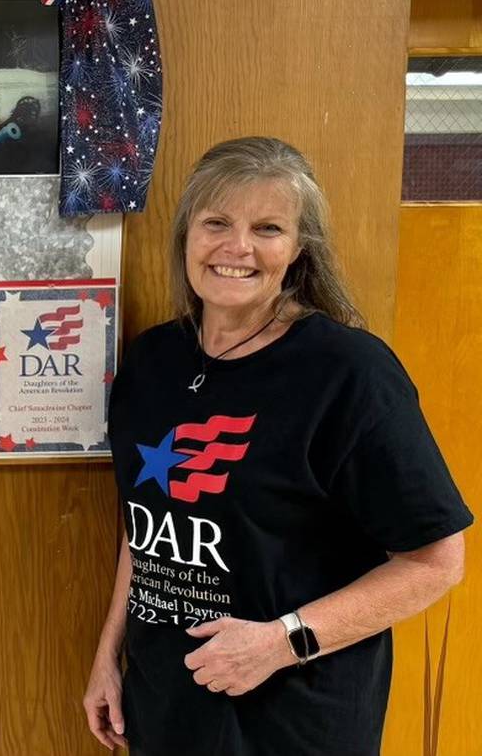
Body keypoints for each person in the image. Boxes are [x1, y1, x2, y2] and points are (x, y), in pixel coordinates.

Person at [83, 137, 471, 755]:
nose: (237, 248)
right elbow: (144, 528)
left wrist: (281, 641)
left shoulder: (348, 374)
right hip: (166, 711)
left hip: (294, 722)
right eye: (217, 223)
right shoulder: (151, 361)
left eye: (267, 228)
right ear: (187, 234)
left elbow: (436, 562)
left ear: (297, 250)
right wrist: (109, 655)